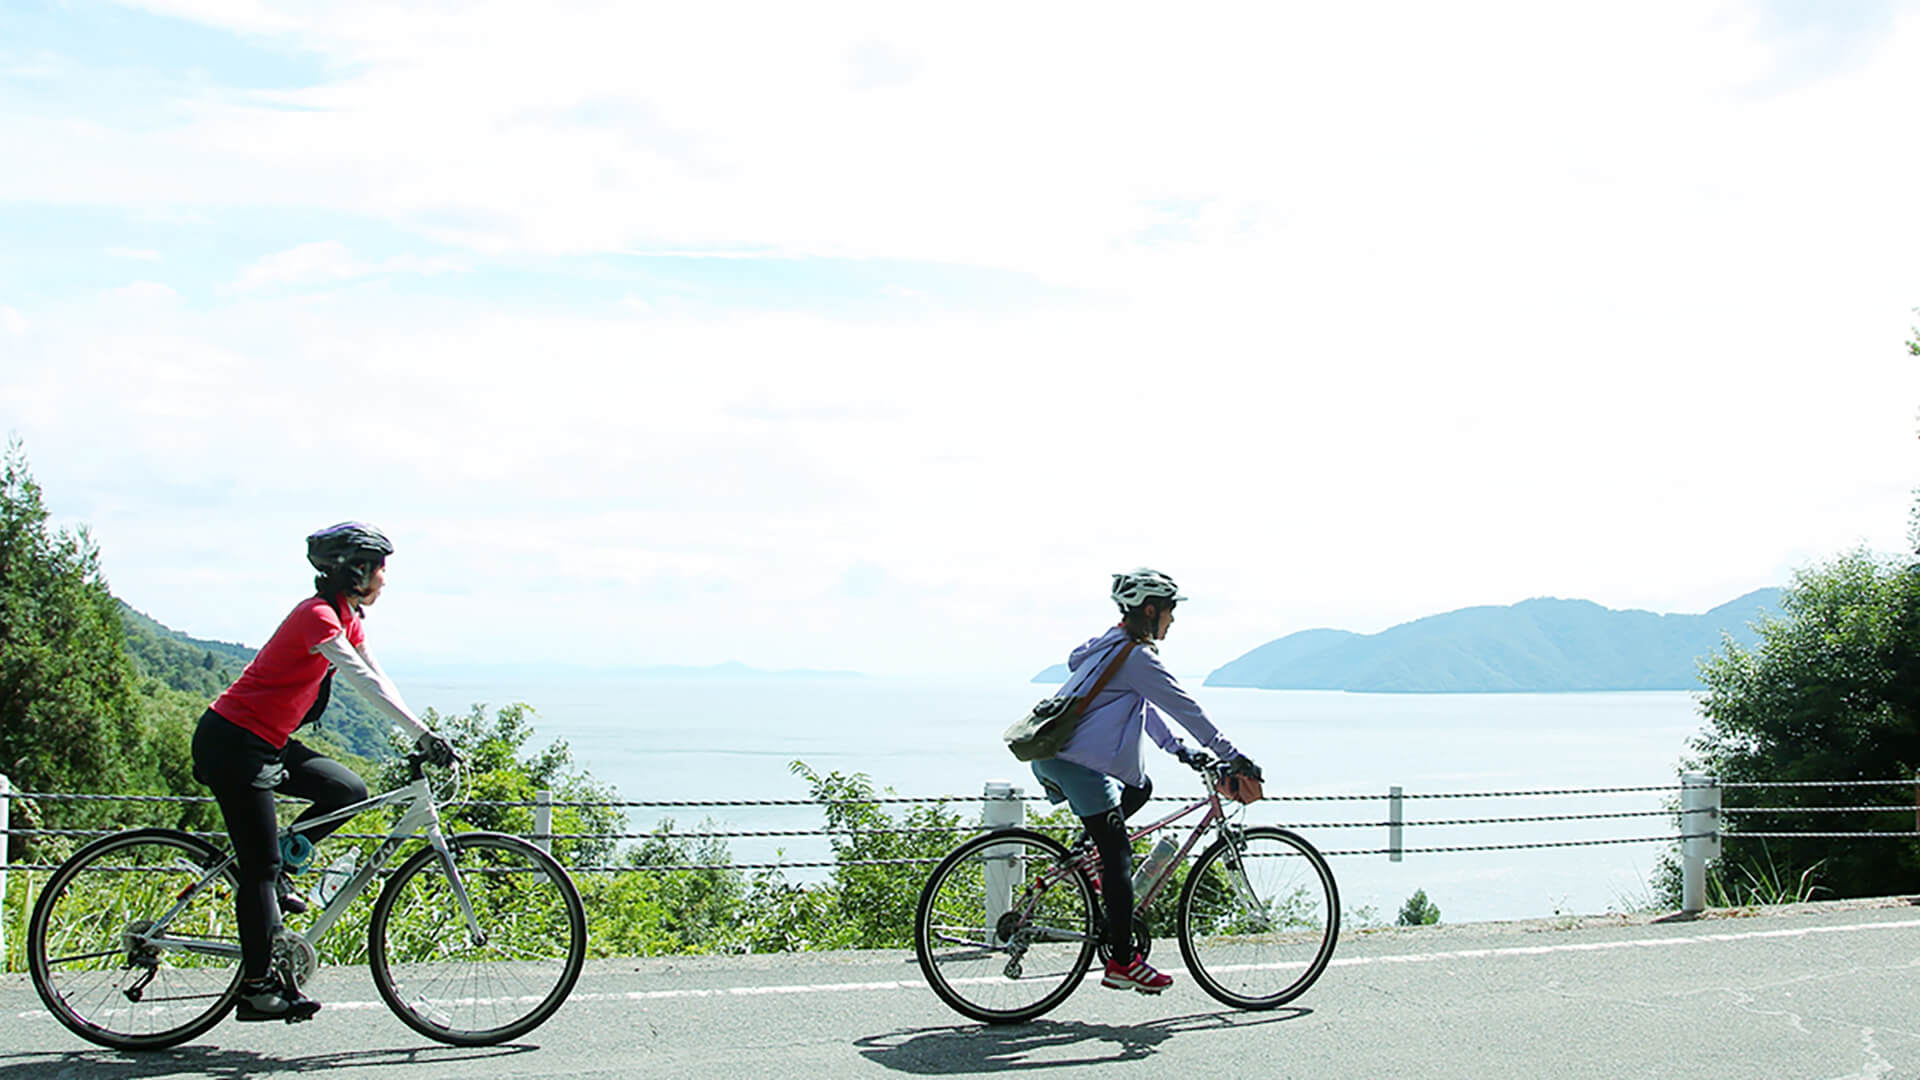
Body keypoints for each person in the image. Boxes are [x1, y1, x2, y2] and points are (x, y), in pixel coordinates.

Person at [190, 522, 456, 1023]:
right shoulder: (316, 617)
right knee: (259, 869)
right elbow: (357, 679)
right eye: (380, 568)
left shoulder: (345, 617)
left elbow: (377, 676)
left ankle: (282, 869)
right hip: (231, 742)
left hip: (265, 741)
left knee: (347, 790)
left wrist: (424, 731)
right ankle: (257, 988)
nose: (384, 579)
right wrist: (422, 736)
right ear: (356, 570)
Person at [1030, 567, 1261, 994]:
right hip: (1077, 766)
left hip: (1053, 757)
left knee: (1140, 788)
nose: (1172, 621)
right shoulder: (1137, 657)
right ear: (1151, 610)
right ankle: (1122, 961)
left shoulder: (1112, 647)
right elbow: (1183, 706)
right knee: (1120, 858)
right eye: (1170, 612)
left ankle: (1087, 856)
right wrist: (1232, 755)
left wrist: (1177, 749)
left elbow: (1145, 709)